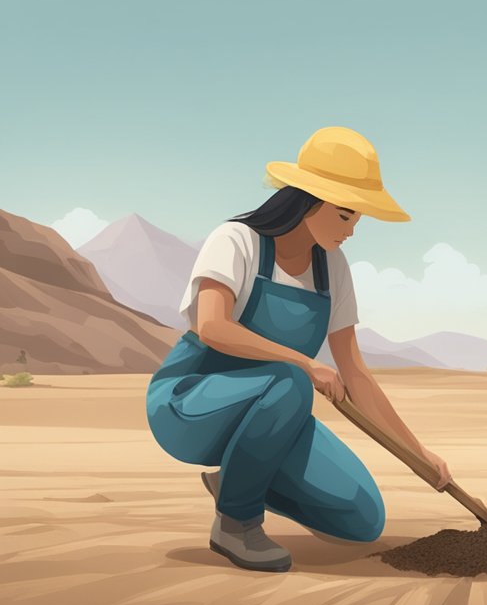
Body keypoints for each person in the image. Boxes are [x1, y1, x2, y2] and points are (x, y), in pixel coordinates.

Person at [145, 126, 451, 573]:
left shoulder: (333, 268)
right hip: (190, 403)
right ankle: (236, 522)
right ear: (308, 200)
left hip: (273, 415)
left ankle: (236, 476)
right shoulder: (237, 241)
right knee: (289, 381)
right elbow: (212, 327)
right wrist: (304, 362)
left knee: (361, 517)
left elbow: (355, 372)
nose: (351, 230)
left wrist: (418, 454)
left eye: (357, 219)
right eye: (345, 215)